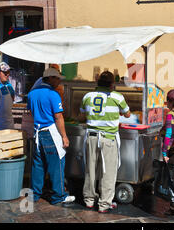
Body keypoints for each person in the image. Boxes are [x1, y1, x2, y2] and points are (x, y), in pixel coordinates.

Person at [79, 71, 131, 213]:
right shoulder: (117, 97)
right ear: (112, 84)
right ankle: (104, 204)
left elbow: (81, 116)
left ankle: (89, 200)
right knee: (108, 172)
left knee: (90, 169)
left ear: (97, 82)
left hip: (91, 137)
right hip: (108, 138)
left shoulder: (87, 96)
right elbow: (127, 114)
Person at [27, 67, 75, 205]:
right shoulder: (53, 94)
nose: (59, 81)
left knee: (38, 164)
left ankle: (35, 194)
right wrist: (64, 137)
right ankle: (58, 196)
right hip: (50, 133)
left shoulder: (32, 94)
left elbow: (31, 112)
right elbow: (58, 117)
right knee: (57, 165)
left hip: (37, 132)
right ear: (50, 78)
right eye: (57, 78)